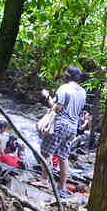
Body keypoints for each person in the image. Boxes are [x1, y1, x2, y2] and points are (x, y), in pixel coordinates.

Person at [36, 65, 86, 197]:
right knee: (63, 157)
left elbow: (56, 109)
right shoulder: (83, 92)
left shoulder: (64, 88)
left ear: (67, 75)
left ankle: (44, 180)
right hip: (73, 127)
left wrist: (47, 97)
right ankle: (61, 186)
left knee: (46, 152)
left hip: (61, 124)